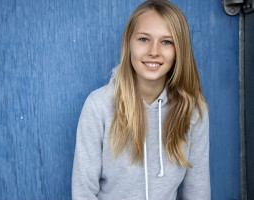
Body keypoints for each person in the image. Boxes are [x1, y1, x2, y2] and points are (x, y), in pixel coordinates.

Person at [72, 0, 210, 199]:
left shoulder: (194, 111)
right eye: (144, 39)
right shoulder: (98, 106)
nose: (154, 51)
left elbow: (198, 191)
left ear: (179, 50)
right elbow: (83, 192)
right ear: (129, 43)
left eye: (166, 42)